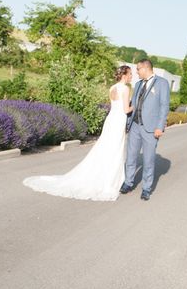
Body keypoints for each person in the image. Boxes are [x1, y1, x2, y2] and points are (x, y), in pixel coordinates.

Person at [23, 65, 133, 201]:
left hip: (111, 119)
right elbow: (126, 109)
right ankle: (109, 180)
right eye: (130, 74)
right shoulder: (126, 88)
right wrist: (137, 105)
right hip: (118, 121)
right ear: (124, 75)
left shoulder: (112, 88)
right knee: (115, 149)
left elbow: (114, 106)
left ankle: (101, 174)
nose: (131, 76)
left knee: (105, 147)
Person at [120, 59, 170, 201]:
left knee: (148, 160)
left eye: (138, 69)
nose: (136, 72)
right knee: (131, 156)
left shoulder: (162, 83)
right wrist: (127, 124)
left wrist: (160, 127)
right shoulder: (137, 84)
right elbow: (133, 105)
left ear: (145, 68)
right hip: (135, 126)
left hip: (151, 129)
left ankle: (146, 188)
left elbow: (164, 106)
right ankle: (128, 183)